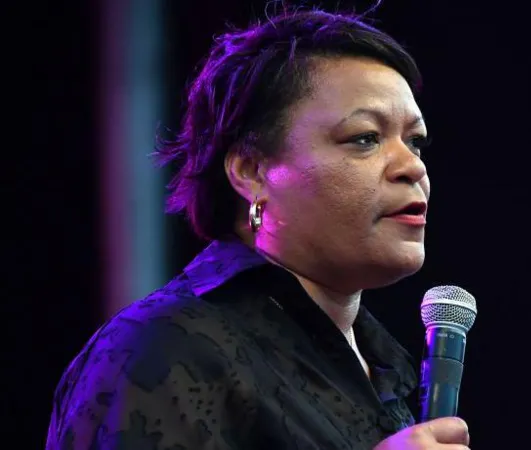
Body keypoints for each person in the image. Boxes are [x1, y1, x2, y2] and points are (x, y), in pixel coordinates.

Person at [46, 7, 471, 450]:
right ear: (251, 172)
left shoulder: (384, 370)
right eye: (364, 138)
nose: (412, 167)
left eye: (415, 142)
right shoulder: (164, 346)